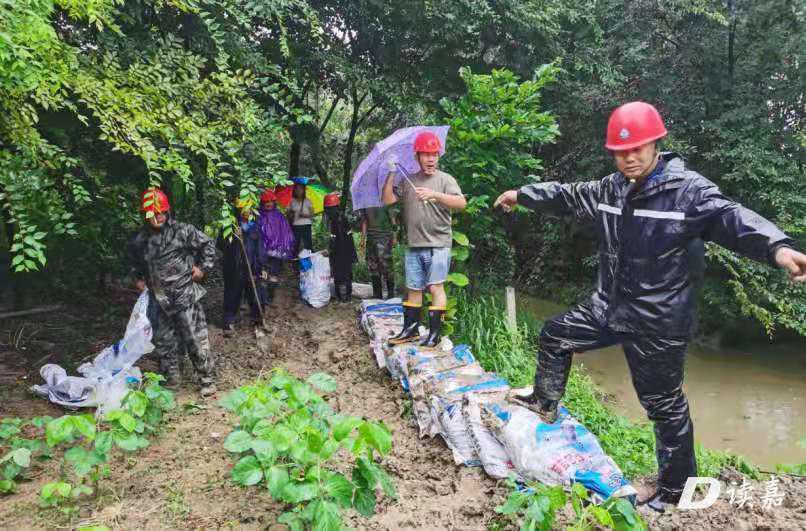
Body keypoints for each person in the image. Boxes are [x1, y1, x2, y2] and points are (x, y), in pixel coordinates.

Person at [493, 101, 806, 512]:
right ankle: (544, 401)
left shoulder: (688, 191)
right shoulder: (609, 189)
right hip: (609, 305)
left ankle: (676, 490)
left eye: (637, 148)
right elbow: (567, 197)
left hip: (659, 320)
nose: (629, 158)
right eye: (620, 152)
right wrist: (522, 195)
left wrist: (778, 247)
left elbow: (732, 218)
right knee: (555, 333)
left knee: (663, 404)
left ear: (657, 143)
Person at [127, 188, 217, 397]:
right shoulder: (139, 241)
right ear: (145, 214)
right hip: (158, 300)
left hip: (185, 295)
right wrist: (138, 280)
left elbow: (208, 244)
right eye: (152, 213)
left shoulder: (182, 231)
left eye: (161, 213)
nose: (157, 217)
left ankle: (206, 379)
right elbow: (133, 265)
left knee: (195, 338)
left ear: (167, 212)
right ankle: (172, 380)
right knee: (164, 342)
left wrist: (202, 268)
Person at [382, 131, 467, 347]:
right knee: (414, 288)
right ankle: (410, 331)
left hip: (438, 245)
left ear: (438, 156)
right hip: (414, 245)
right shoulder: (408, 180)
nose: (430, 159)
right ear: (417, 156)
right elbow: (387, 199)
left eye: (434, 154)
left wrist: (435, 195)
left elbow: (461, 204)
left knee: (435, 288)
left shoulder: (445, 180)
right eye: (426, 154)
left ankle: (434, 335)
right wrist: (391, 172)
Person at [217, 197, 267, 337]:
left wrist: (262, 267)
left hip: (252, 266)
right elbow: (220, 245)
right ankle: (229, 322)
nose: (246, 212)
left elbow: (261, 248)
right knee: (232, 293)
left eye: (248, 209)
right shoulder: (229, 226)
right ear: (238, 210)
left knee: (255, 293)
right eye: (243, 210)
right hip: (234, 267)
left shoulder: (255, 226)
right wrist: (232, 237)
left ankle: (258, 319)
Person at [257, 189, 295, 304]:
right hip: (262, 252)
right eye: (266, 202)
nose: (268, 204)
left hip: (276, 253)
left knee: (273, 275)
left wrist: (285, 248)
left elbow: (286, 234)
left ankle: (270, 297)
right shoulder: (257, 216)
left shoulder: (279, 216)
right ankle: (262, 298)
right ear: (262, 203)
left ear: (274, 202)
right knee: (262, 275)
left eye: (271, 201)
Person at [323, 193, 358, 302]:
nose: (328, 212)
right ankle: (346, 297)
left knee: (340, 275)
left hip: (340, 253)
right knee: (345, 274)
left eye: (329, 209)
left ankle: (342, 297)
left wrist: (329, 250)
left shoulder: (336, 221)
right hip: (345, 252)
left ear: (335, 208)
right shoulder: (342, 218)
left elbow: (335, 238)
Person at [360, 204, 397, 299]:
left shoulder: (386, 200)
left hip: (384, 237)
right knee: (373, 268)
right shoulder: (365, 202)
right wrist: (363, 238)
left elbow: (393, 221)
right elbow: (364, 221)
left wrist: (394, 236)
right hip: (371, 238)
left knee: (387, 268)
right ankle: (377, 296)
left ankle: (391, 295)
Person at [288, 181, 314, 257]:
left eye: (301, 189)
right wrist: (291, 214)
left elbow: (312, 214)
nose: (299, 191)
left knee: (308, 245)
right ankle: (295, 264)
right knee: (295, 245)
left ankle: (310, 261)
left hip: (306, 225)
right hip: (296, 226)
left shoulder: (308, 201)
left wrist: (303, 215)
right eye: (297, 189)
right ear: (294, 191)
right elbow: (288, 214)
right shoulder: (292, 201)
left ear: (303, 190)